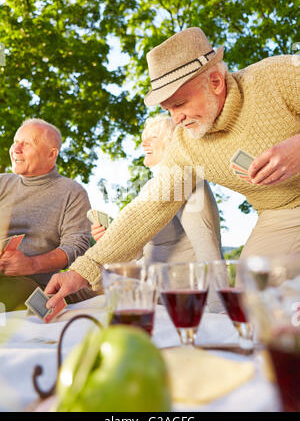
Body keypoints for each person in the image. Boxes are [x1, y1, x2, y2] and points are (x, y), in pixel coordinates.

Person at [45, 26, 300, 308]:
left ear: (215, 81)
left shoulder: (278, 76)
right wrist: (84, 269)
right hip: (284, 213)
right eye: (168, 110)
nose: (176, 119)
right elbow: (148, 208)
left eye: (180, 104)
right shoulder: (186, 146)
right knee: (251, 299)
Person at [91, 114, 223, 311]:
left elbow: (208, 249)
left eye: (153, 137)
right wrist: (111, 239)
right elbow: (138, 254)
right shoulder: (152, 187)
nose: (144, 142)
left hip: (180, 303)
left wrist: (217, 313)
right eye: (144, 136)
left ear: (173, 143)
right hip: (150, 297)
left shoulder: (188, 182)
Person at [0, 118, 93, 310]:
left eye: (26, 144)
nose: (15, 149)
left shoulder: (72, 192)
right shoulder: (2, 183)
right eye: (15, 142)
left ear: (51, 154)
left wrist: (31, 264)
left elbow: (76, 247)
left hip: (34, 288)